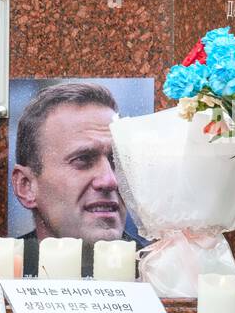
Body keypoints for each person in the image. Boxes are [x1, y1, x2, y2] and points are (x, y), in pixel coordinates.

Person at [9, 81, 147, 276]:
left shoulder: (161, 277)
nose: (110, 181)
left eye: (117, 161)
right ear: (26, 186)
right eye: (83, 160)